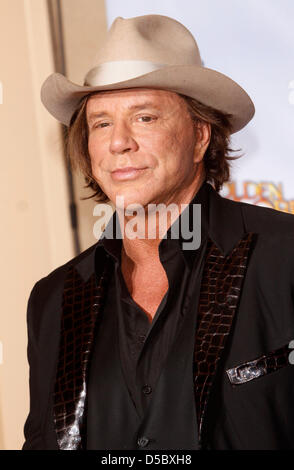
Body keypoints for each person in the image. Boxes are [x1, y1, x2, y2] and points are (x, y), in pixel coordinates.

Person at [23, 14, 294, 450]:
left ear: (200, 135)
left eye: (145, 118)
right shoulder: (54, 298)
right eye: (102, 123)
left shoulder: (283, 255)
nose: (118, 143)